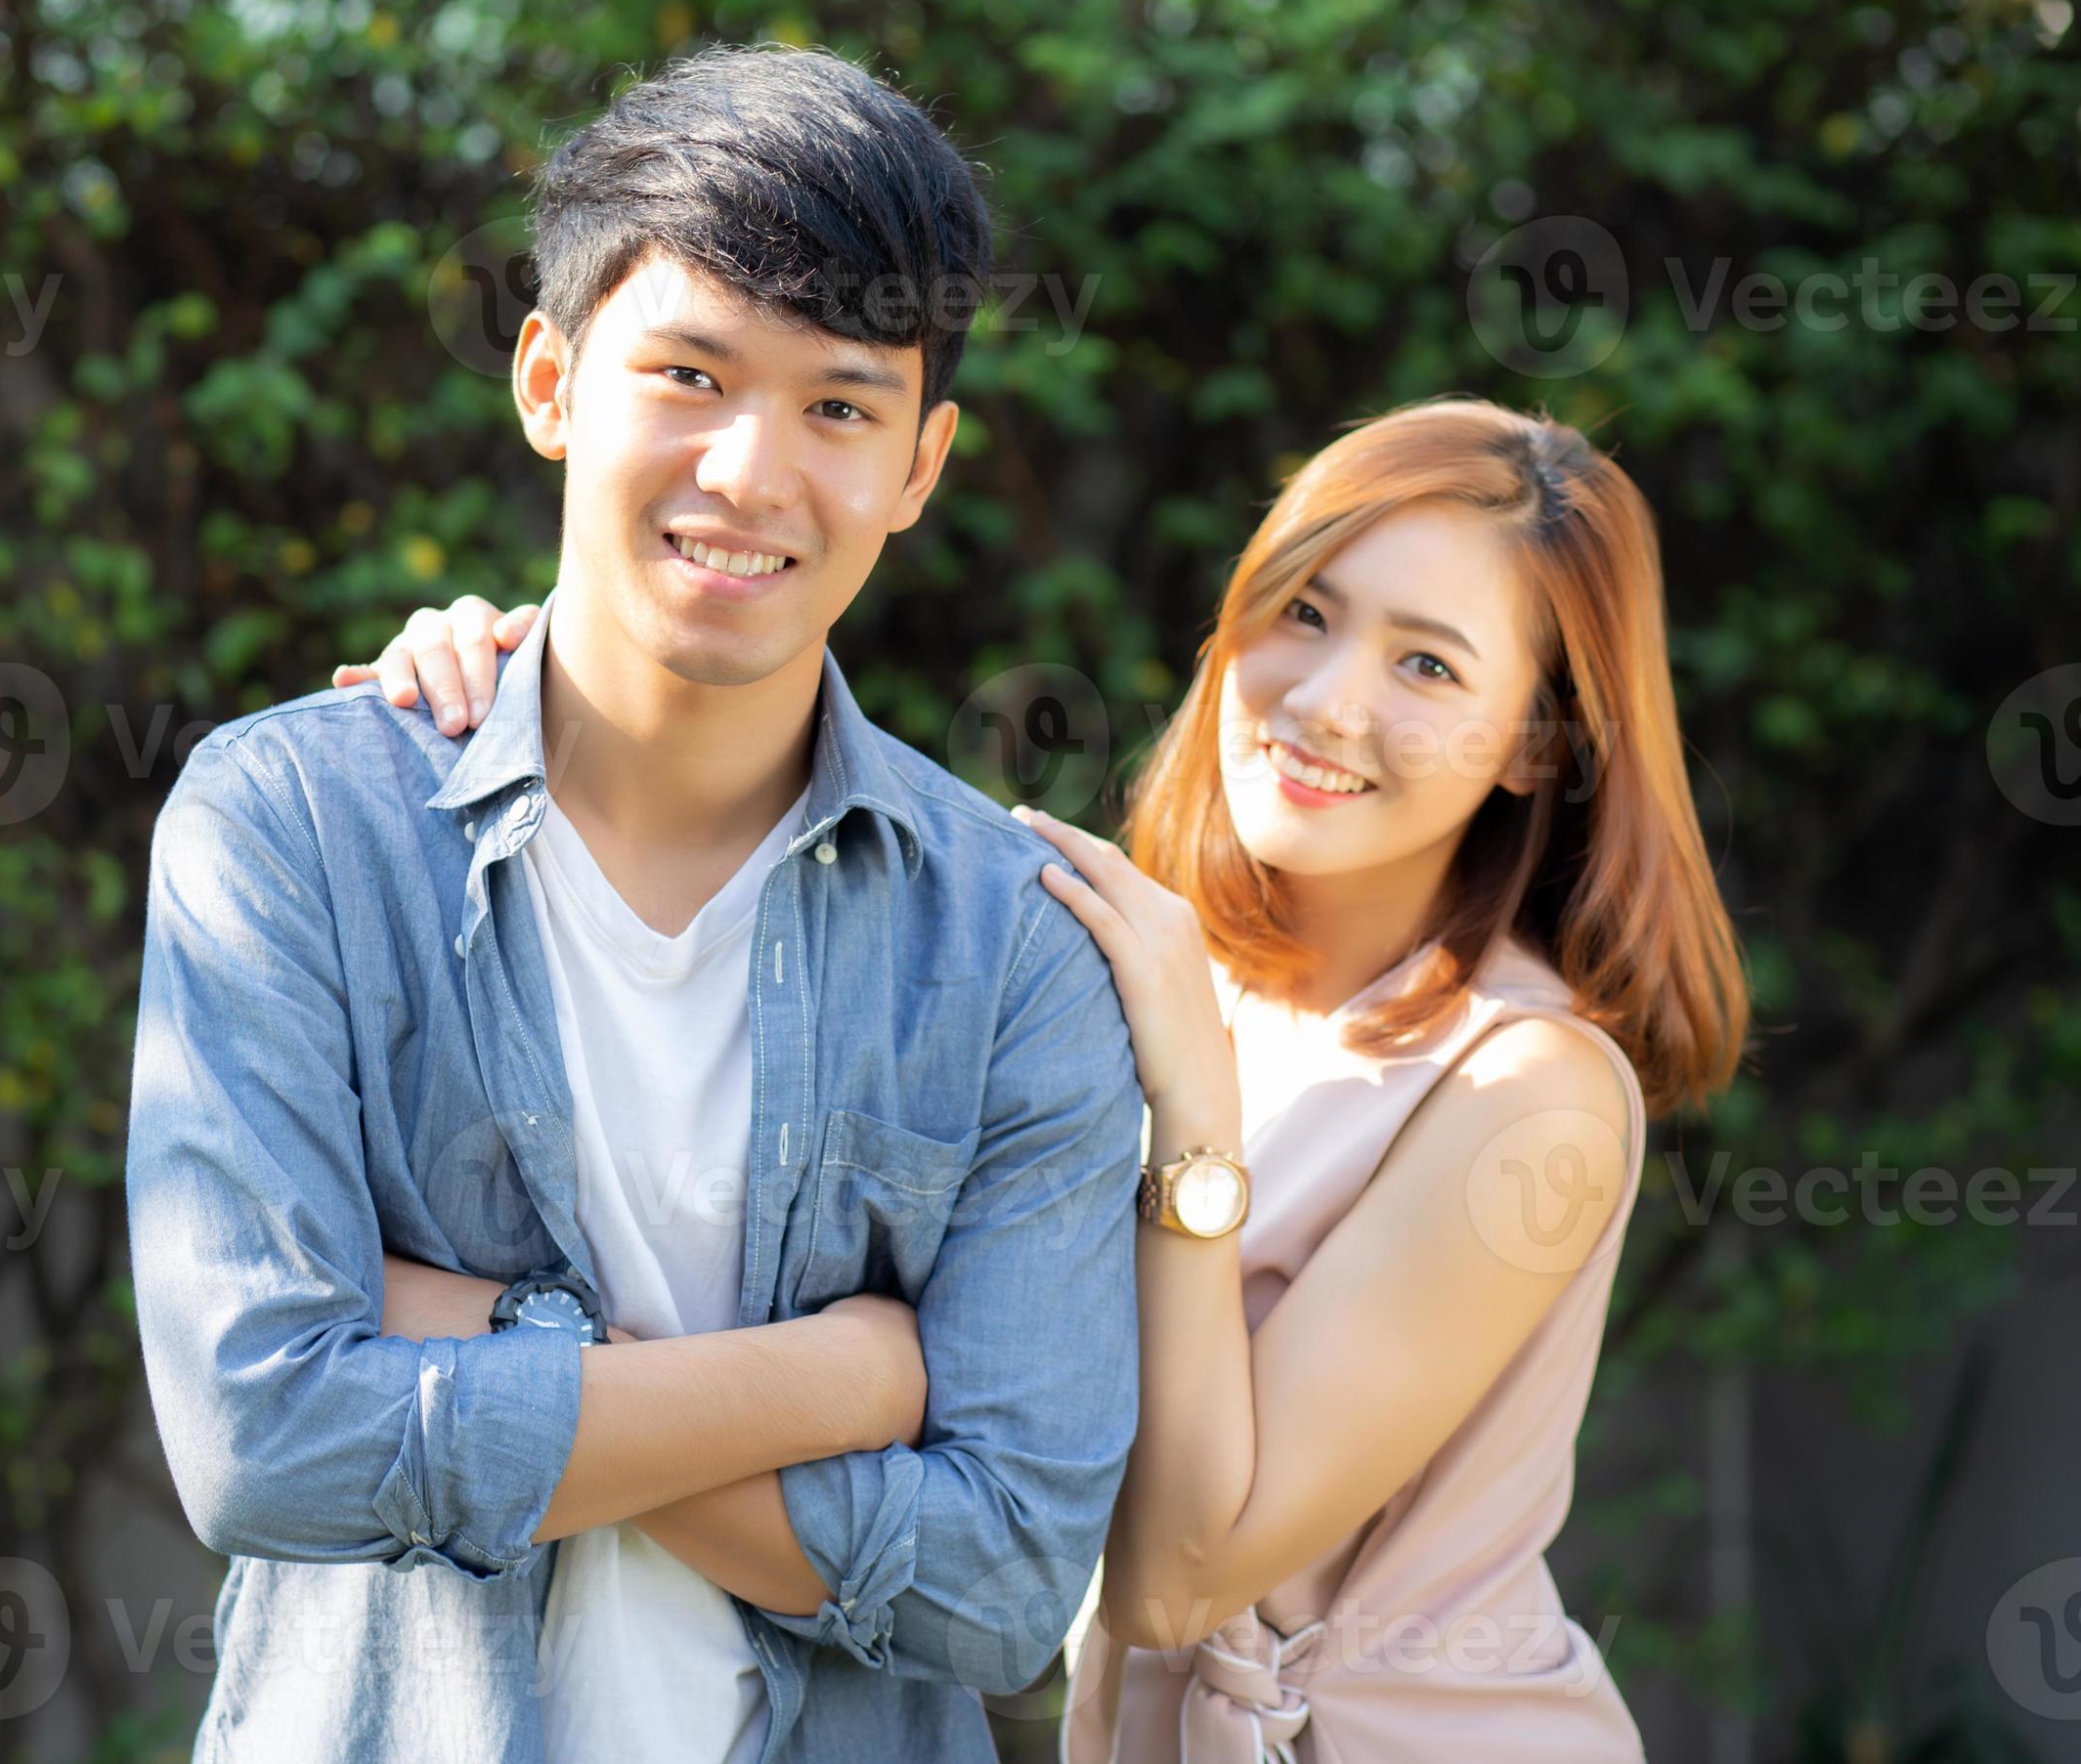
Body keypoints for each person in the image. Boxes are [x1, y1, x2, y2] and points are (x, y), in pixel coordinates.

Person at [342, 397, 1749, 1761]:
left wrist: (1195, 1118)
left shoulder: (1528, 1093)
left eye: (1429, 667)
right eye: (1305, 612)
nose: (1327, 701)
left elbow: (1175, 1578)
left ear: (1533, 745)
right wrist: (539, 684)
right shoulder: (1108, 956)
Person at [130, 42, 1144, 1764]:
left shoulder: (1010, 944)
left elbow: (1005, 1587)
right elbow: (264, 1442)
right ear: (549, 380)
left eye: (839, 405)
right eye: (687, 373)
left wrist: (459, 1334)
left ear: (921, 464)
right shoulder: (296, 828)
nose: (750, 474)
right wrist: (840, 1380)